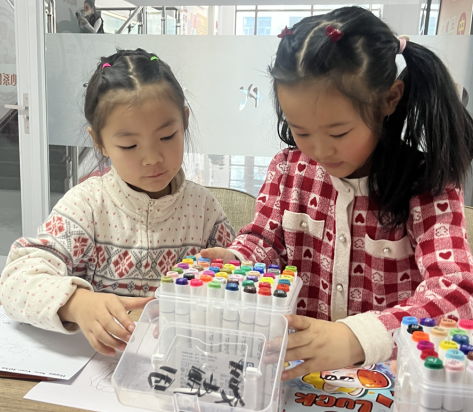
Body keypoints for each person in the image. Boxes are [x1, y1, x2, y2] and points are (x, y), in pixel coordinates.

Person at [201, 7, 473, 380]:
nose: (319, 150)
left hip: (390, 379)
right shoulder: (288, 169)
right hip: (296, 373)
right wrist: (237, 258)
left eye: (338, 132)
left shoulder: (426, 184)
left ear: (390, 99)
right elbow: (266, 241)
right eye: (301, 131)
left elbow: (456, 293)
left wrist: (355, 338)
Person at [0, 49, 235, 356]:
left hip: (180, 360)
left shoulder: (203, 209)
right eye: (129, 145)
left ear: (185, 121)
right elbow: (16, 280)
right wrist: (77, 303)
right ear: (99, 142)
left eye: (167, 136)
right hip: (101, 365)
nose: (152, 158)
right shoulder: (87, 205)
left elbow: (243, 278)